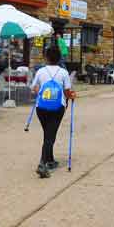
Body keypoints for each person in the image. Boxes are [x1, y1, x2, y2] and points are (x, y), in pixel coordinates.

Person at [30, 45, 76, 178]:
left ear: (46, 57)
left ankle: (50, 160)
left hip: (41, 107)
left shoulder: (40, 71)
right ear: (59, 58)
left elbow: (33, 88)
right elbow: (67, 92)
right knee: (50, 135)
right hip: (57, 107)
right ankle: (42, 163)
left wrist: (43, 94)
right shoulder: (63, 72)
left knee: (48, 133)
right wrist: (72, 96)